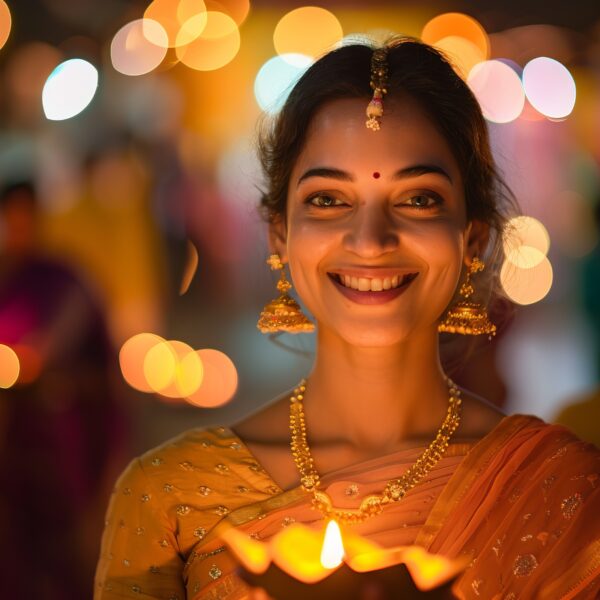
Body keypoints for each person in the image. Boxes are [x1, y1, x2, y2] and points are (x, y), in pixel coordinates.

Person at [94, 37, 600, 599]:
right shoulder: (167, 496)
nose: (370, 240)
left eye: (418, 199)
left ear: (472, 238)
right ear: (280, 236)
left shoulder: (563, 491)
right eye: (329, 199)